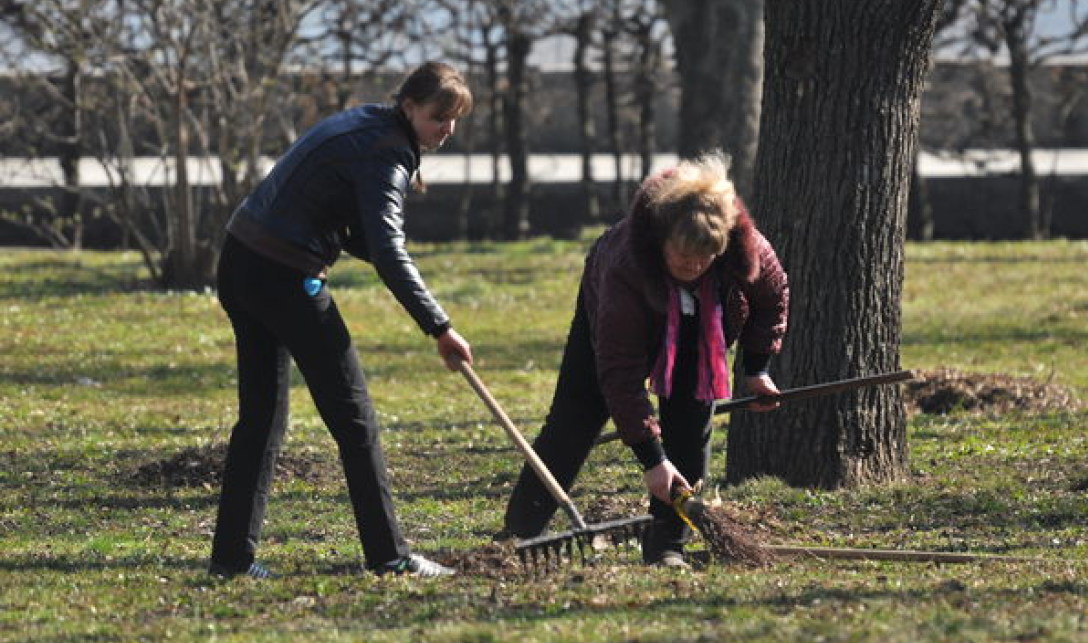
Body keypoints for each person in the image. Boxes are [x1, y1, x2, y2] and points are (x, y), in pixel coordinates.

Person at [209, 60, 475, 579]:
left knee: (261, 419)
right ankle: (389, 555)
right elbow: (386, 248)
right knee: (356, 420)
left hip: (241, 261)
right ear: (409, 106)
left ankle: (230, 561)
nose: (448, 130)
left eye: (455, 119)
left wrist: (387, 253)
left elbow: (348, 226)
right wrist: (440, 327)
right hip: (286, 277)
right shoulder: (388, 152)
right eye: (439, 117)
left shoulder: (366, 123)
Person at [503, 153, 789, 567]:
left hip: (702, 332)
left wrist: (757, 369)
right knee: (576, 415)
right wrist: (653, 461)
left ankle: (666, 545)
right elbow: (619, 373)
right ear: (662, 242)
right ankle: (520, 530)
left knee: (691, 425)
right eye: (682, 258)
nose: (692, 267)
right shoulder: (626, 266)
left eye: (703, 259)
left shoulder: (747, 251)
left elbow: (773, 298)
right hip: (621, 314)